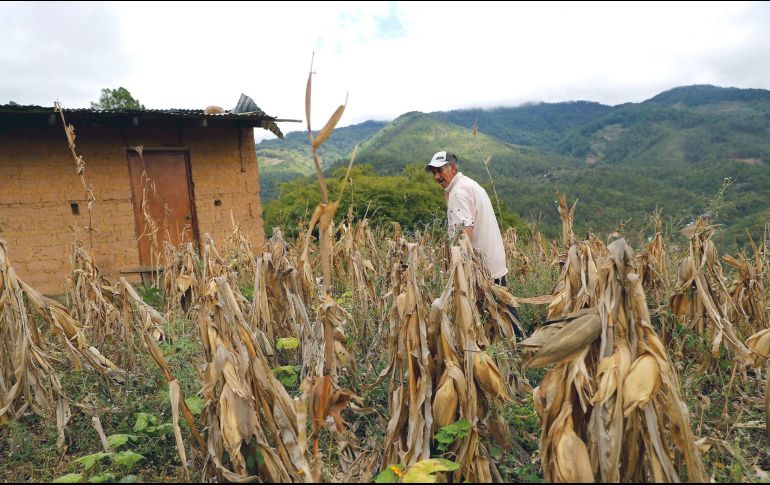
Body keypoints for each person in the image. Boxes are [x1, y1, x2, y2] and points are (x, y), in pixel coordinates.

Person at [425, 151, 524, 339]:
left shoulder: (458, 192)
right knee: (504, 314)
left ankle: (517, 350)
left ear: (453, 167)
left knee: (494, 317)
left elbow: (465, 232)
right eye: (433, 172)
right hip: (492, 261)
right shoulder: (470, 184)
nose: (436, 176)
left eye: (440, 170)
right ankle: (519, 348)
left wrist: (459, 267)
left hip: (481, 267)